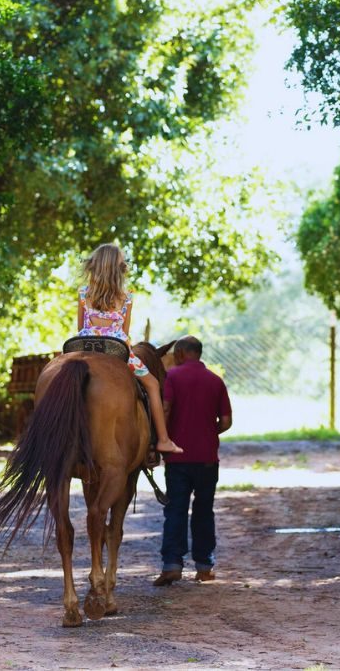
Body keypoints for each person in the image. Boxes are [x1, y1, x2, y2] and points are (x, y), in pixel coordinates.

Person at [76, 243, 182, 454]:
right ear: (120, 270)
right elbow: (124, 332)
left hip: (85, 346)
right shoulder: (126, 297)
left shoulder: (83, 293)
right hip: (116, 348)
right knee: (152, 384)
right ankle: (163, 440)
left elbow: (80, 328)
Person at [153, 335, 231, 585]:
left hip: (177, 457)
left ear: (179, 354)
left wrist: (163, 437)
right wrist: (207, 432)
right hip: (207, 458)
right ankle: (204, 566)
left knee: (175, 509)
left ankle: (172, 565)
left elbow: (166, 408)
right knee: (204, 510)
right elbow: (226, 421)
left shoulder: (172, 377)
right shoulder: (216, 381)